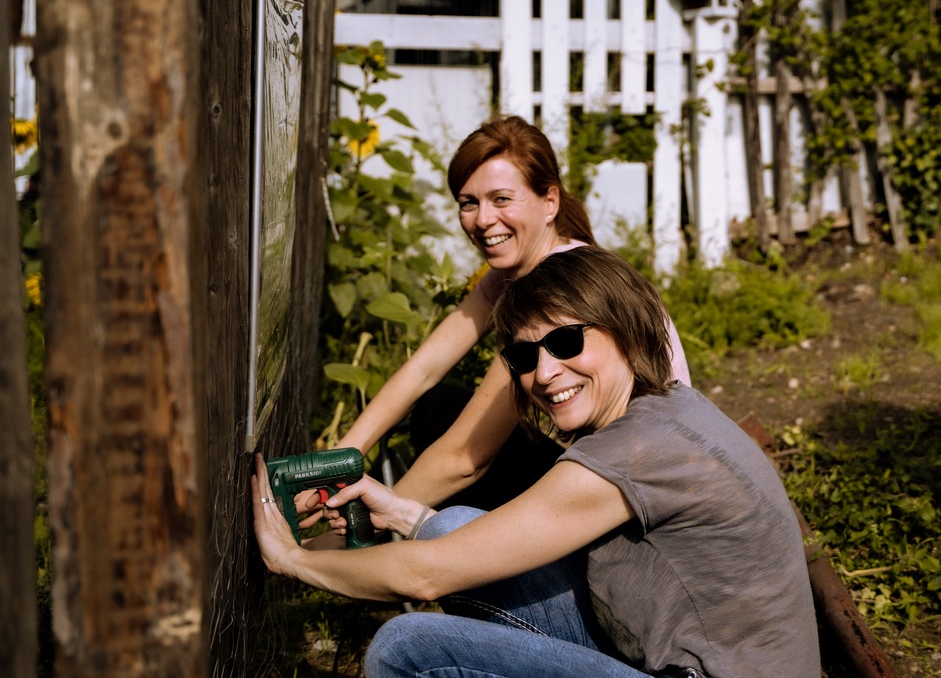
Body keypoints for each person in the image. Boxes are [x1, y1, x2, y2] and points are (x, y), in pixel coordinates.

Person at [252, 246, 820, 678]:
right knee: (448, 524)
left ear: (624, 331)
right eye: (526, 354)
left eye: (568, 342)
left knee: (408, 649)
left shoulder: (633, 454)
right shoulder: (664, 410)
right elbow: (454, 548)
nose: (544, 372)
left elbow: (424, 575)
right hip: (696, 658)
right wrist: (402, 514)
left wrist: (292, 561)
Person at [321, 115, 692, 513]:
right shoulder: (511, 273)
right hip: (611, 472)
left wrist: (356, 528)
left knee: (458, 444)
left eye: (501, 199)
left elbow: (465, 460)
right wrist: (333, 466)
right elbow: (421, 371)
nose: (482, 221)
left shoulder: (555, 289)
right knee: (438, 405)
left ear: (550, 202)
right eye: (469, 202)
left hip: (643, 498)